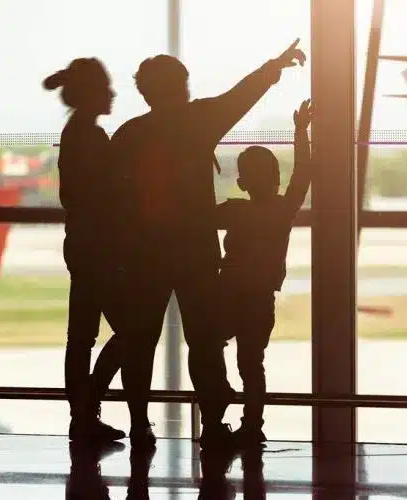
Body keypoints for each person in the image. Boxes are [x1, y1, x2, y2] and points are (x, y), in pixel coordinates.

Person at [103, 39, 307, 450]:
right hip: (196, 254)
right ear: (180, 86)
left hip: (146, 255)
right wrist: (275, 66)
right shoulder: (198, 122)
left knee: (141, 341)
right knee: (205, 341)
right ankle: (212, 424)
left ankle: (140, 423)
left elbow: (112, 200)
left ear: (145, 92)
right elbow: (240, 97)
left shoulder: (129, 135)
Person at [216, 99, 312, 447]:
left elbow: (195, 219)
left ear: (242, 183)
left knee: (211, 346)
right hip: (259, 300)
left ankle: (220, 398)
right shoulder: (282, 210)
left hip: (227, 292)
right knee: (252, 365)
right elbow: (304, 172)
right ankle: (252, 425)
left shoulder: (234, 211)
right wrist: (301, 132)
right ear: (277, 179)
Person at [43, 58, 124, 443]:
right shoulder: (91, 137)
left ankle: (83, 411)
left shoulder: (76, 133)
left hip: (82, 244)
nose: (113, 94)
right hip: (99, 247)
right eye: (106, 88)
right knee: (131, 329)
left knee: (81, 337)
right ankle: (88, 403)